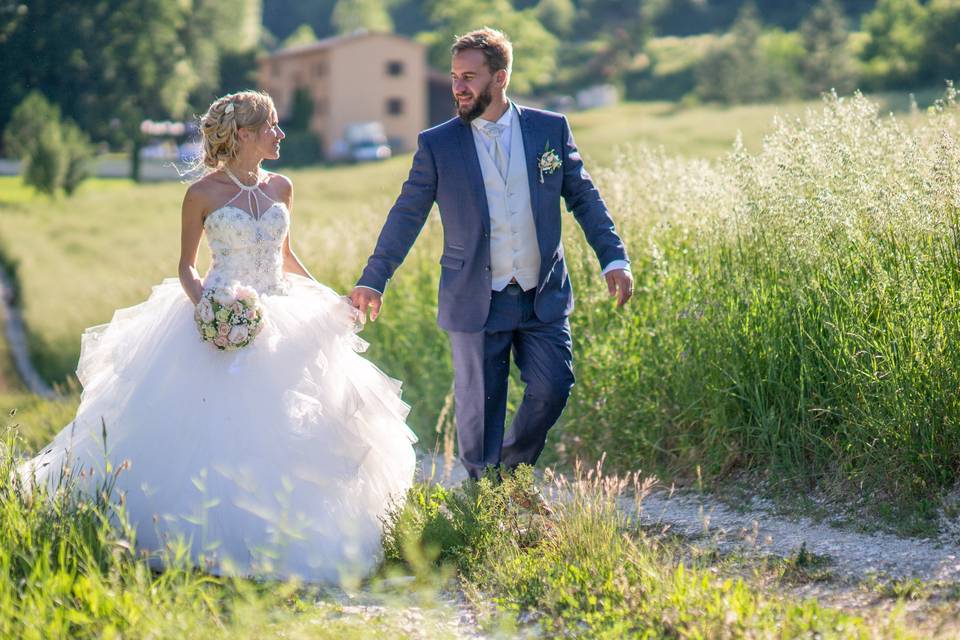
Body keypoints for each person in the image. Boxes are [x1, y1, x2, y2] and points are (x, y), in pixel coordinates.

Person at [19, 90, 417, 584]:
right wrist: (208, 309)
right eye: (272, 125)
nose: (281, 133)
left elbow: (286, 256)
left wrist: (328, 297)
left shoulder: (282, 188)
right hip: (222, 309)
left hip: (283, 310)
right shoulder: (202, 194)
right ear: (245, 133)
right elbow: (186, 267)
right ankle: (200, 538)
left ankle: (287, 535)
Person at [351, 29, 633, 480]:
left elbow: (583, 196)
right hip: (475, 297)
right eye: (454, 77)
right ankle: (486, 504)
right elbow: (407, 214)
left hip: (541, 294)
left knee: (553, 388)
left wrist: (613, 258)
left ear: (499, 78)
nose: (458, 87)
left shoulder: (549, 129)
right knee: (481, 413)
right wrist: (373, 277)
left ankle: (506, 473)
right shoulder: (437, 144)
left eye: (469, 77)